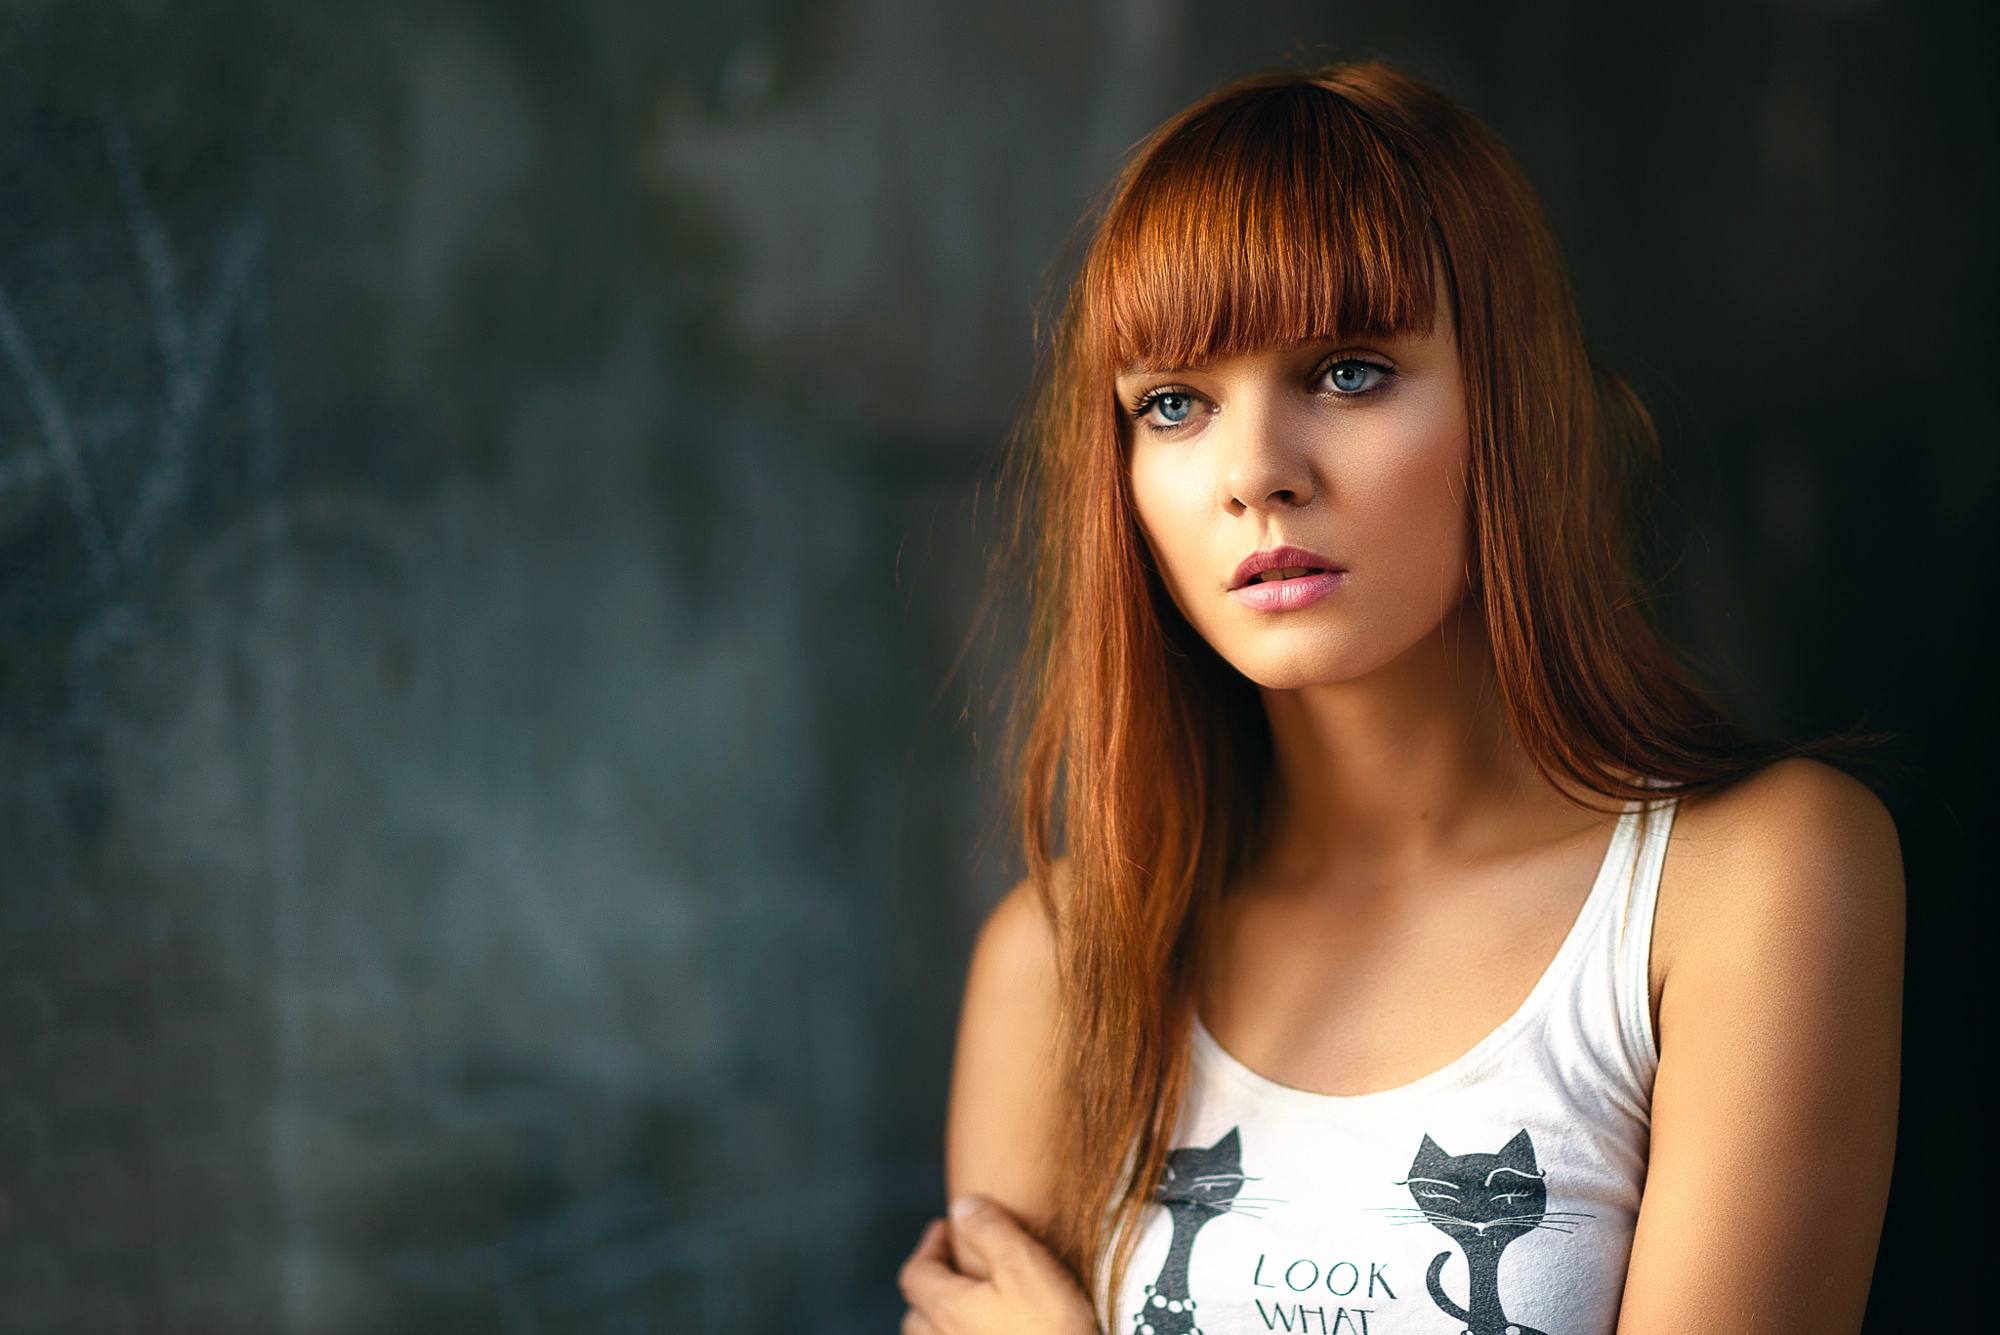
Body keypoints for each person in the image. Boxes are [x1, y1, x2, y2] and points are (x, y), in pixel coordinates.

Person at [897, 63, 1902, 1335]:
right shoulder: (1056, 966)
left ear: (1509, 401)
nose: (1255, 474)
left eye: (1347, 372)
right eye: (1172, 404)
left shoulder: (1743, 882)